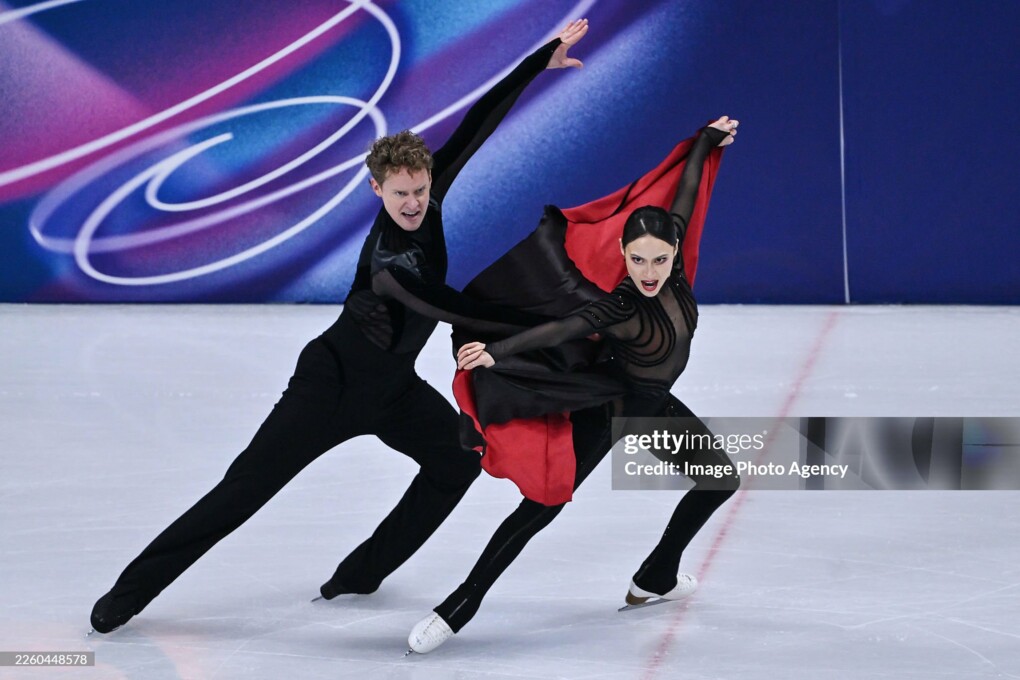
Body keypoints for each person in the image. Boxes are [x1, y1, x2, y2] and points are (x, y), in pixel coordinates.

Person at [88, 20, 590, 634]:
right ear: (376, 188)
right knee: (243, 490)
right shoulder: (390, 263)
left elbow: (478, 121)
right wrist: (559, 322)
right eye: (400, 194)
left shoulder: (429, 198)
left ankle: (359, 574)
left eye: (420, 189)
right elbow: (453, 308)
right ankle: (127, 595)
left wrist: (540, 61)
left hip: (393, 388)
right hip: (329, 386)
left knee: (456, 460)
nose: (413, 203)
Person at [407, 116, 743, 653]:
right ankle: (458, 606)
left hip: (651, 406)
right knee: (543, 505)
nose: (649, 271)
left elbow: (683, 194)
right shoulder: (621, 306)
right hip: (607, 407)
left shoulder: (674, 272)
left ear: (674, 250)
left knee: (720, 479)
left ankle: (655, 576)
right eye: (637, 260)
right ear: (624, 257)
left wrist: (703, 141)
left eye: (659, 259)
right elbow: (562, 328)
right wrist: (495, 351)